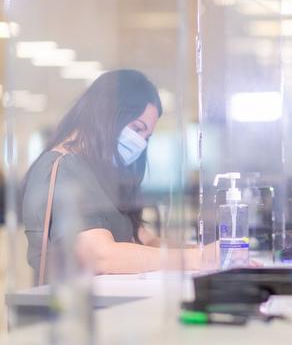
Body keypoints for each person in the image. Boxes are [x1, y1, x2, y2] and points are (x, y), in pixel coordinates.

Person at [22, 70, 210, 283]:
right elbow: (101, 256)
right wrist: (196, 258)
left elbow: (145, 241)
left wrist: (207, 251)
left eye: (146, 137)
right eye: (136, 129)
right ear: (106, 114)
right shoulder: (64, 167)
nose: (140, 143)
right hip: (68, 311)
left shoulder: (100, 172)